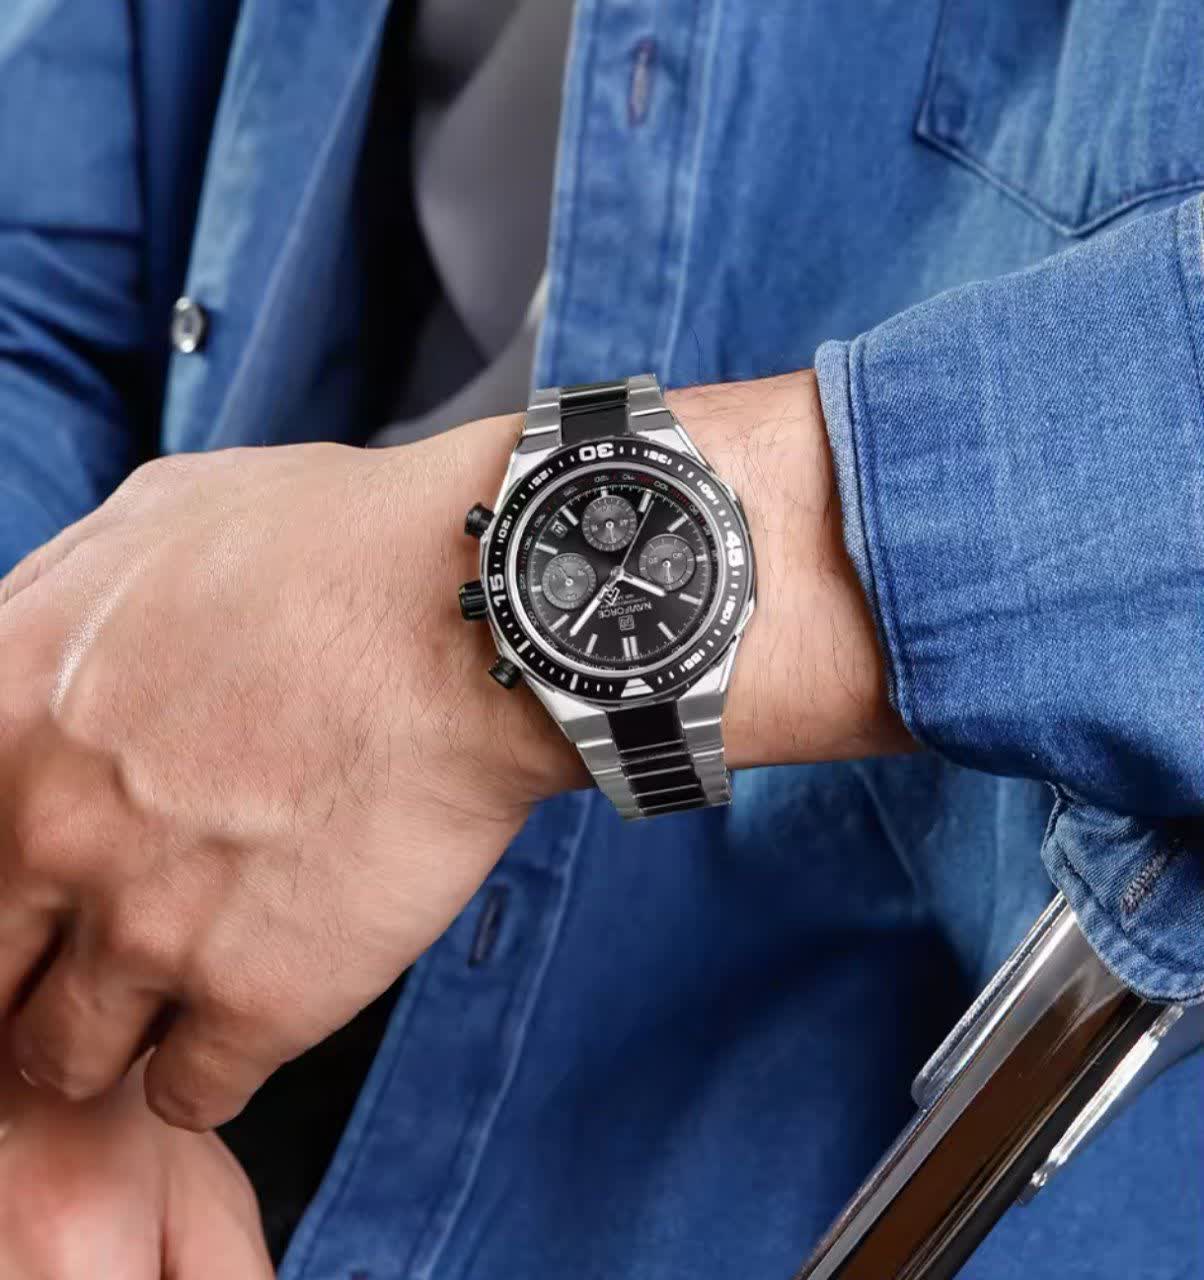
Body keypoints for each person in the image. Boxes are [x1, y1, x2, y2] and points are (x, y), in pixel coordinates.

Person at [0, 2, 1201, 1277]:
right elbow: (44, 288)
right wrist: (43, 984)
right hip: (166, 934)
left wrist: (432, 646)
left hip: (828, 1164)